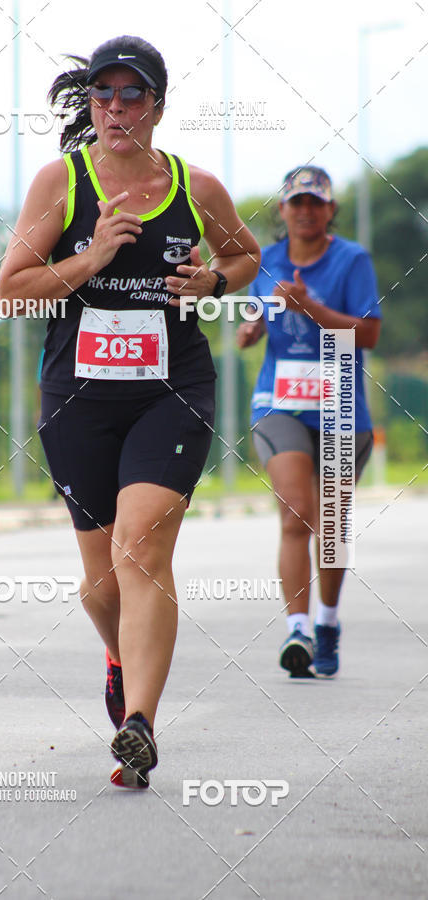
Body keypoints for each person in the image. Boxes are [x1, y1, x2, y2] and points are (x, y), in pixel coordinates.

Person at [0, 35, 260, 787]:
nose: (116, 108)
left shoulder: (196, 187)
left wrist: (212, 282)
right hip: (77, 399)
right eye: (103, 95)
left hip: (171, 391)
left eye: (132, 95)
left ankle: (139, 723)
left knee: (140, 547)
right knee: (101, 577)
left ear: (158, 106)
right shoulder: (62, 182)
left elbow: (246, 259)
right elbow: (12, 288)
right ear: (92, 105)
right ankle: (119, 658)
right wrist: (92, 258)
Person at [237, 166, 381, 678]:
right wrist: (252, 329)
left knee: (333, 526)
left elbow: (367, 335)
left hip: (342, 406)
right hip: (281, 402)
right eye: (296, 202)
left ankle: (327, 622)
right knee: (296, 511)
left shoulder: (351, 260)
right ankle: (296, 628)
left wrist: (313, 308)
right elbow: (256, 318)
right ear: (283, 210)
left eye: (315, 203)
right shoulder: (266, 261)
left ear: (330, 210)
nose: (305, 211)